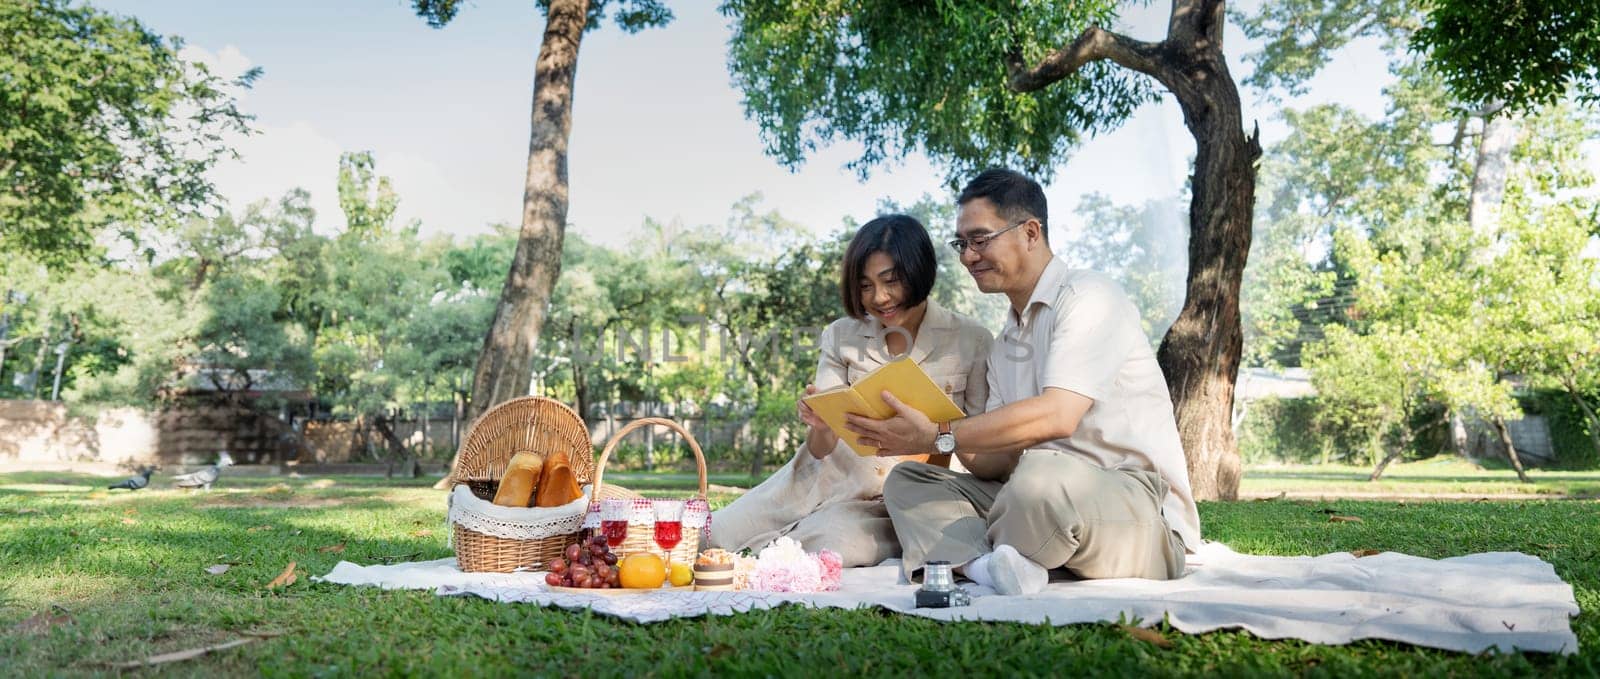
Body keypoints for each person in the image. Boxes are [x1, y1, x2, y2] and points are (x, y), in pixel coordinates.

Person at [846, 169, 1202, 594]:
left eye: (980, 240)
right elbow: (998, 461)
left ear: (1031, 232)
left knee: (1039, 478)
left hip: (1133, 507)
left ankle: (986, 551)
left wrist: (941, 432)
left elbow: (1058, 416)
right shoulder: (1005, 342)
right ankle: (986, 566)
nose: (967, 256)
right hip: (1036, 498)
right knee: (910, 481)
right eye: (962, 244)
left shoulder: (1089, 297)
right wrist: (924, 428)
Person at [709, 214, 994, 567]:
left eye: (892, 281)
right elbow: (819, 449)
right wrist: (821, 425)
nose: (880, 297)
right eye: (865, 285)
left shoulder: (972, 339)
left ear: (920, 271)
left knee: (823, 547)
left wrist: (938, 435)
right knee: (714, 536)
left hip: (894, 501)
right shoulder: (841, 335)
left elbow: (981, 444)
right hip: (819, 480)